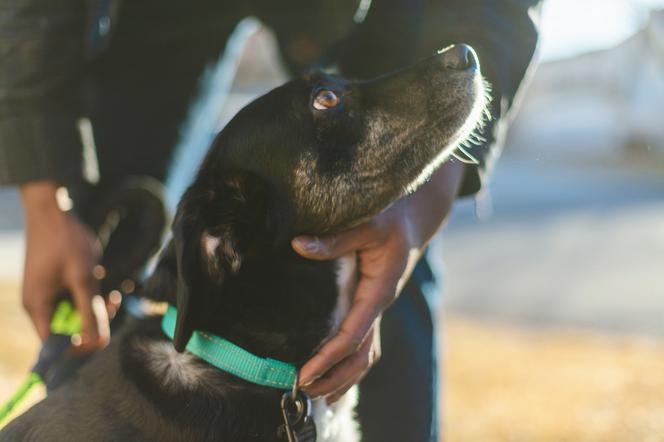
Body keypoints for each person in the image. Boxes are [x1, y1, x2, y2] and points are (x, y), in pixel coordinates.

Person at [0, 1, 540, 440]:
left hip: (367, 13)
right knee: (101, 254)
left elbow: (490, 13)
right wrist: (51, 202)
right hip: (155, 16)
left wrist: (415, 215)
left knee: (379, 235)